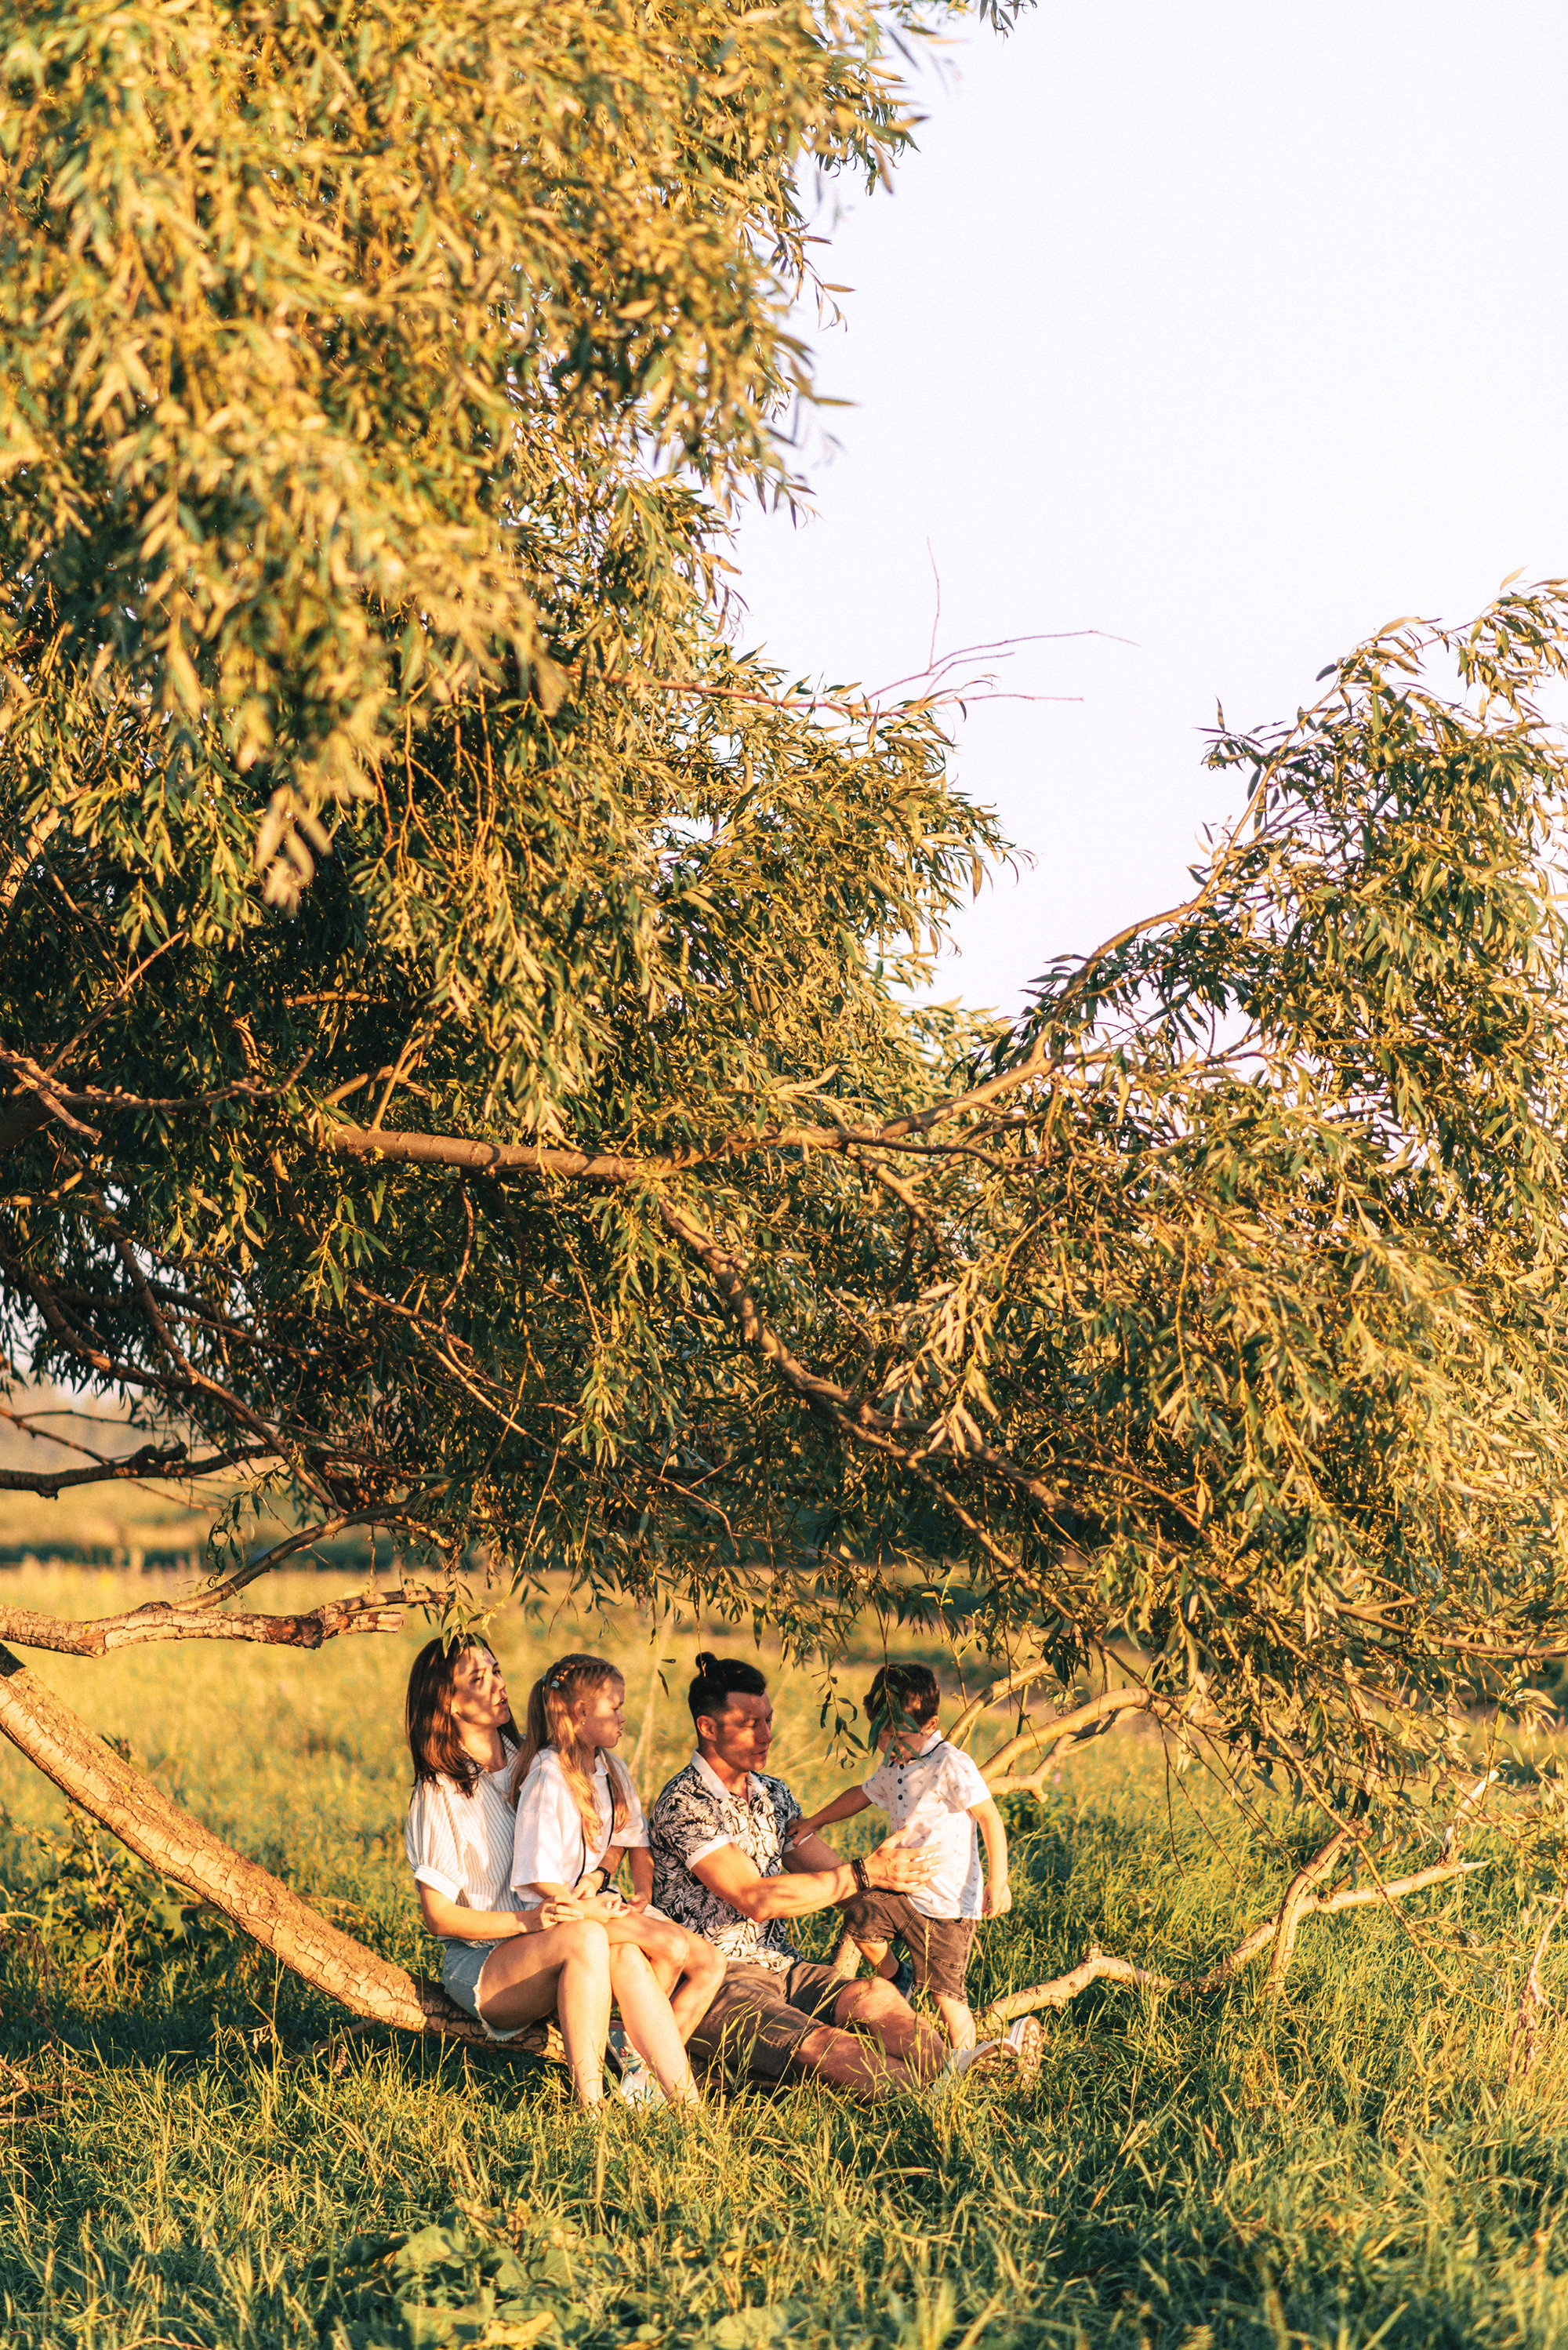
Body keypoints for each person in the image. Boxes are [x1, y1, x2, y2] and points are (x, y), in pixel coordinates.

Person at [648, 1653, 985, 2101]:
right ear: (708, 1728)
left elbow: (831, 1875)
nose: (767, 1735)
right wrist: (864, 1872)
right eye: (751, 1724)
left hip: (784, 1968)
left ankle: (965, 2075)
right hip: (713, 1980)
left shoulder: (772, 1794)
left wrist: (904, 1892)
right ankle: (942, 2098)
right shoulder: (684, 1803)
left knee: (877, 1997)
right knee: (826, 2046)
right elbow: (755, 1898)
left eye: (768, 1720)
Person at [403, 1635, 615, 2108]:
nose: (499, 1684)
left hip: (554, 1932)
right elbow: (439, 1918)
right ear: (449, 1704)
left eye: (496, 1670)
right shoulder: (438, 1794)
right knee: (587, 1938)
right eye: (479, 1679)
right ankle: (591, 2106)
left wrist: (596, 1883)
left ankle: (668, 2089)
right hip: (484, 1963)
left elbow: (598, 1837)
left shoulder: (534, 1759)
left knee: (633, 1936)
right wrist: (531, 1922)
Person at [510, 1652, 724, 2109]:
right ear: (581, 1713)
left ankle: (637, 2071)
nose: (623, 1717)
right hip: (562, 1912)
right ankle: (632, 2059)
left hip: (601, 1898)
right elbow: (537, 1874)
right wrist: (585, 1902)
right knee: (673, 1948)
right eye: (615, 1708)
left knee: (705, 1962)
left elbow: (628, 1839)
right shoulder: (548, 1776)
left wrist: (631, 1886)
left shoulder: (610, 1769)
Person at [792, 1660, 1033, 2061]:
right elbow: (862, 1794)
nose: (889, 1745)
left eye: (897, 1734)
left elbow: (989, 1818)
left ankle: (964, 2063)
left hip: (947, 1906)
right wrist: (813, 1821)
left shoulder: (950, 1764)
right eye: (882, 1735)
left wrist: (999, 1880)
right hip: (904, 1890)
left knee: (947, 1998)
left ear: (930, 1723)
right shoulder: (895, 1763)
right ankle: (896, 1976)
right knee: (861, 1920)